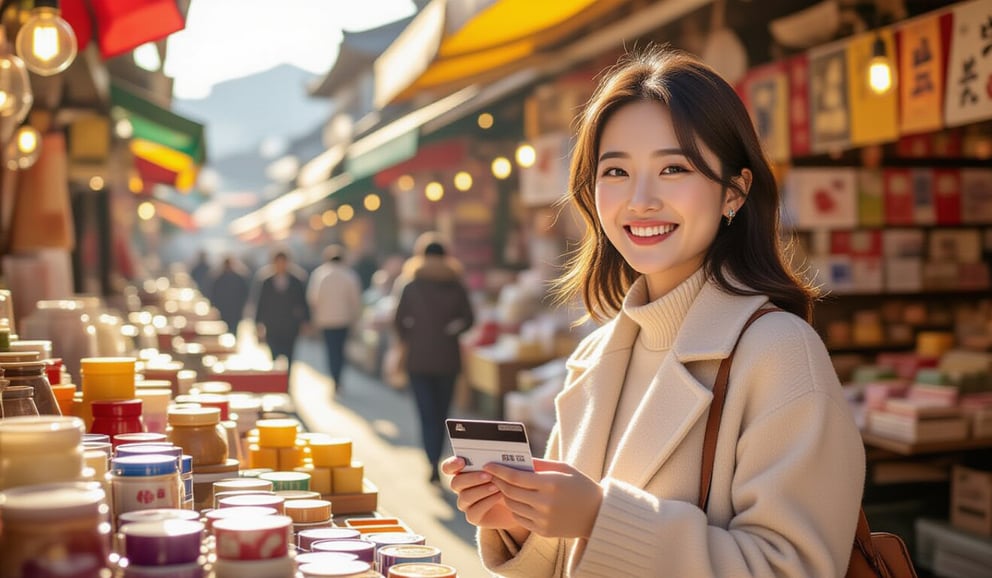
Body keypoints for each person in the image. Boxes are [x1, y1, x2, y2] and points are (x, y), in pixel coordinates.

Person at [443, 47, 865, 577]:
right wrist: (521, 521)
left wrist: (599, 517)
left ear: (734, 191)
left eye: (673, 167)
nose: (640, 199)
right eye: (615, 170)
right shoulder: (597, 355)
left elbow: (794, 568)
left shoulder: (778, 352)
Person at [394, 239, 474, 483]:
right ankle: (438, 457)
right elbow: (470, 319)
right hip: (447, 359)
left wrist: (413, 335)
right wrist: (451, 330)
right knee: (442, 413)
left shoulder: (411, 285)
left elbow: (398, 321)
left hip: (418, 359)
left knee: (425, 412)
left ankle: (431, 460)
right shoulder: (455, 284)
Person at [307, 245, 363, 392]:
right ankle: (338, 377)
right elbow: (356, 300)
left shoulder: (320, 274)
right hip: (343, 319)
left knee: (331, 350)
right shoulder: (349, 275)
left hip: (325, 320)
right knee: (340, 350)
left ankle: (334, 377)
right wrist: (355, 318)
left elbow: (313, 299)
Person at [253, 251, 309, 374]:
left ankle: (287, 382)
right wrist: (258, 324)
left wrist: (305, 321)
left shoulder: (296, 281)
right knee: (274, 354)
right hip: (272, 325)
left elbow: (303, 302)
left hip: (290, 325)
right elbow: (261, 303)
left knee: (290, 355)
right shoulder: (266, 282)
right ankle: (275, 382)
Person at [209, 256, 250, 337]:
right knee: (224, 332)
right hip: (225, 311)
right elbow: (213, 294)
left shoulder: (238, 278)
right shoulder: (219, 278)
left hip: (234, 311)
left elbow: (244, 294)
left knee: (232, 331)